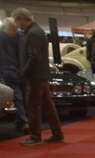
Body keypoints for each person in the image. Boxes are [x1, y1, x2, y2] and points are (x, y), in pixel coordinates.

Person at [11, 7, 63, 146]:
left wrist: (25, 71)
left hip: (35, 75)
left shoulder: (32, 33)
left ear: (22, 19)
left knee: (33, 106)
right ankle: (57, 133)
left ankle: (35, 136)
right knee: (48, 105)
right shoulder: (38, 31)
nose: (17, 24)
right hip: (41, 74)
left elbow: (34, 56)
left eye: (17, 21)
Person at [0, 17, 28, 134]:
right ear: (5, 28)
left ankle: (20, 122)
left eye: (15, 30)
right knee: (18, 97)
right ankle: (25, 121)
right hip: (8, 73)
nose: (13, 32)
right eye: (10, 29)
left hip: (22, 72)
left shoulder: (22, 37)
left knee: (24, 98)